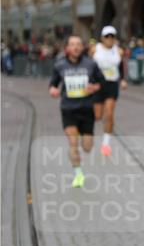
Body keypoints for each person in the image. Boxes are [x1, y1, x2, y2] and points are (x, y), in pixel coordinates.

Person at [49, 35, 104, 188]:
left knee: (87, 147)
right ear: (67, 48)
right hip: (69, 109)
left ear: (82, 47)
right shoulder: (60, 65)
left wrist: (94, 87)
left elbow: (101, 82)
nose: (76, 47)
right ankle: (78, 174)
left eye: (79, 44)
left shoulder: (91, 64)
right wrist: (53, 90)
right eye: (72, 44)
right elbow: (53, 84)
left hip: (86, 110)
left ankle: (82, 136)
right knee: (73, 143)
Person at [90, 25, 127, 156]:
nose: (109, 39)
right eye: (107, 36)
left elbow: (121, 66)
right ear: (102, 38)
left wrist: (122, 79)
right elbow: (88, 64)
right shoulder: (95, 49)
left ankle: (106, 143)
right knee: (97, 115)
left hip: (112, 84)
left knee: (109, 113)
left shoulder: (119, 51)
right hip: (98, 85)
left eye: (112, 36)